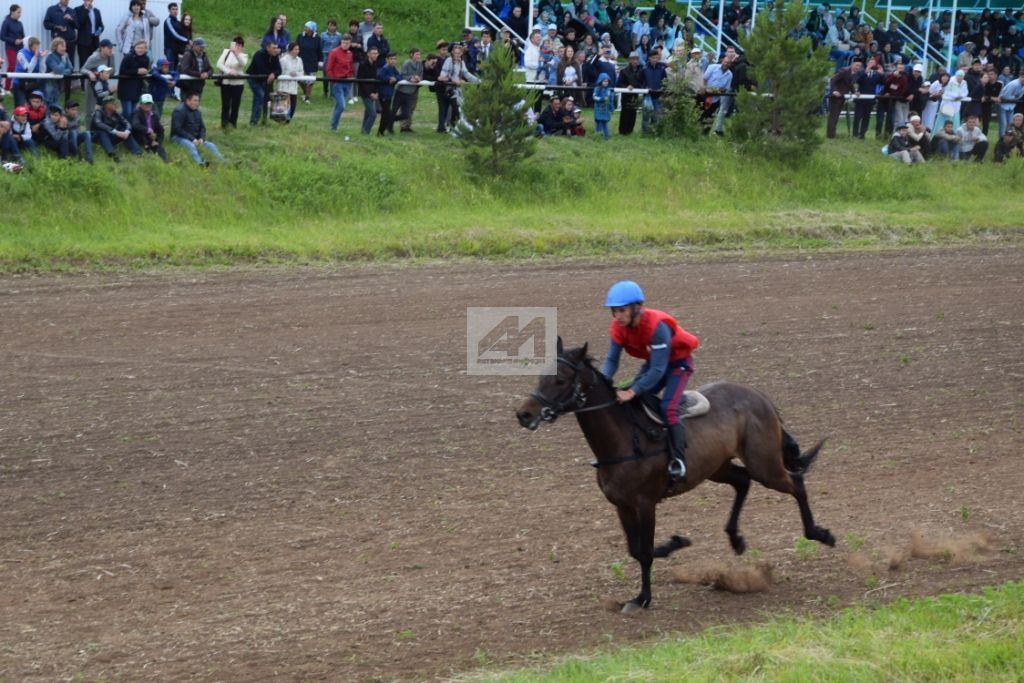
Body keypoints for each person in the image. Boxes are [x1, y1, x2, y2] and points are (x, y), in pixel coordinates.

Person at [600, 280, 699, 480]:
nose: (617, 316)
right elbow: (611, 360)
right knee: (635, 399)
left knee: (667, 407)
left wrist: (631, 391)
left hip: (677, 364)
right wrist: (602, 382)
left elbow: (658, 369)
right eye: (614, 311)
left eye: (622, 310)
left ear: (637, 308)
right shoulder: (618, 327)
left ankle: (679, 461)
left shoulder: (657, 326)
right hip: (655, 362)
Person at [170, 91, 223, 165]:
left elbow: (202, 128)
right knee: (190, 146)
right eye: (195, 100)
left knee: (211, 145)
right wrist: (192, 139)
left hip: (195, 138)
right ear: (188, 101)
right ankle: (200, 164)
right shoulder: (179, 111)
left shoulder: (197, 112)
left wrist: (201, 138)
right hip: (178, 137)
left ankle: (224, 162)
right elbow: (177, 129)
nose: (197, 103)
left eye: (198, 101)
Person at [437, 42, 478, 131]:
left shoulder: (461, 62)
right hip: (447, 89)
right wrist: (453, 81)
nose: (457, 55)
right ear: (452, 53)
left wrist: (478, 81)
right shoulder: (448, 61)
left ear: (461, 53)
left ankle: (452, 128)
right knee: (451, 110)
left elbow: (466, 74)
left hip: (456, 90)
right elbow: (442, 76)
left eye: (458, 53)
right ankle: (446, 127)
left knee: (457, 111)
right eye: (455, 53)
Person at [90, 95, 141, 161]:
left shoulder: (116, 113)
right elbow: (99, 124)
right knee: (102, 132)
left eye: (116, 102)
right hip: (97, 138)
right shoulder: (99, 112)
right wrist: (116, 132)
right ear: (106, 105)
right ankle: (112, 154)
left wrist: (127, 131)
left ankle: (137, 153)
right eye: (113, 103)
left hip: (111, 136)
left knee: (124, 130)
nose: (116, 104)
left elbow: (127, 123)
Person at [214, 36, 247, 129]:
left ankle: (233, 124)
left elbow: (242, 63)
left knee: (235, 105)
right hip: (226, 82)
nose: (238, 47)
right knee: (225, 104)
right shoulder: (226, 52)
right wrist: (229, 71)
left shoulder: (243, 56)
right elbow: (219, 64)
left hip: (238, 84)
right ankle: (224, 124)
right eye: (236, 44)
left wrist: (236, 53)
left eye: (240, 45)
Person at [246, 40, 281, 126]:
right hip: (253, 79)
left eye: (276, 48)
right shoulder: (259, 54)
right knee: (261, 97)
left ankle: (255, 121)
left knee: (258, 99)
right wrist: (271, 73)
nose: (275, 50)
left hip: (264, 80)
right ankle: (254, 121)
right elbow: (261, 69)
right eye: (273, 48)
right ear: (267, 48)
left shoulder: (275, 56)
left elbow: (279, 70)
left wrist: (273, 74)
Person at [325, 33, 354, 132]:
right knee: (341, 105)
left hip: (347, 82)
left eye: (347, 43)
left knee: (339, 105)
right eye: (343, 42)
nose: (345, 45)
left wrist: (350, 77)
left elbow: (350, 67)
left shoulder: (350, 54)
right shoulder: (334, 52)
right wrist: (333, 80)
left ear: (350, 44)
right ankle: (334, 126)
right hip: (337, 82)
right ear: (341, 42)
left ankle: (334, 125)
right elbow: (328, 69)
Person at [81, 37, 114, 120]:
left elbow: (113, 70)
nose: (111, 50)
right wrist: (90, 73)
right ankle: (89, 131)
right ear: (102, 48)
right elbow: (83, 69)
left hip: (103, 84)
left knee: (104, 107)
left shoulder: (111, 56)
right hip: (91, 85)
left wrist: (102, 73)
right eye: (109, 48)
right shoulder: (94, 57)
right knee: (90, 109)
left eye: (111, 48)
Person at [43, 0, 76, 78]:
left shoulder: (71, 11)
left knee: (70, 64)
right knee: (57, 64)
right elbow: (46, 24)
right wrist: (56, 27)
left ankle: (68, 88)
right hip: (58, 43)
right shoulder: (52, 9)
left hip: (70, 41)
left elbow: (77, 25)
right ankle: (58, 85)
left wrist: (71, 19)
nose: (67, 1)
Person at [130, 93, 167, 161]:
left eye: (149, 103)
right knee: (141, 133)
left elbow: (160, 129)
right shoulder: (136, 112)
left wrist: (158, 141)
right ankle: (148, 148)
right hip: (139, 136)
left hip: (149, 137)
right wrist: (147, 129)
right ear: (141, 104)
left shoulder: (154, 114)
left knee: (158, 146)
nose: (148, 105)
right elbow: (135, 125)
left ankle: (166, 160)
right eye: (145, 103)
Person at [117, 39, 150, 118]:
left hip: (137, 88)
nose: (140, 50)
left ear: (145, 49)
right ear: (134, 48)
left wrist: (145, 71)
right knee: (127, 112)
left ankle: (130, 129)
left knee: (133, 113)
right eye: (138, 47)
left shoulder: (146, 58)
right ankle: (121, 126)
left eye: (142, 48)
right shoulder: (128, 57)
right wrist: (137, 71)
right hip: (126, 88)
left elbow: (145, 71)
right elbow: (122, 71)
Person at [826, 62, 859, 138]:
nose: (858, 67)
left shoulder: (852, 73)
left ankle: (832, 134)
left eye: (859, 66)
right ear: (852, 65)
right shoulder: (844, 71)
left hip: (842, 97)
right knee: (833, 116)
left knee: (836, 116)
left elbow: (850, 84)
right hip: (835, 97)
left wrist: (855, 92)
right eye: (857, 65)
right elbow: (833, 80)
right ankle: (830, 136)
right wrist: (834, 91)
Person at [12, 35, 45, 107]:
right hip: (20, 83)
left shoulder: (38, 53)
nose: (36, 49)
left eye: (38, 47)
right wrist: (36, 57)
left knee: (34, 106)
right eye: (35, 47)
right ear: (29, 46)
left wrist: (42, 59)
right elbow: (28, 69)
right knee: (21, 106)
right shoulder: (21, 54)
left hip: (32, 83)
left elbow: (42, 71)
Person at [396, 47, 423, 133]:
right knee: (405, 108)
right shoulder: (406, 63)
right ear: (411, 55)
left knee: (412, 107)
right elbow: (403, 75)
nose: (418, 56)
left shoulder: (420, 64)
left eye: (419, 54)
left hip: (414, 88)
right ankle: (403, 126)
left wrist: (418, 78)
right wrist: (411, 78)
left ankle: (408, 125)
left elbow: (421, 74)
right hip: (405, 89)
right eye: (417, 54)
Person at [617, 50, 644, 135]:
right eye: (633, 59)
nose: (635, 61)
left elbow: (642, 82)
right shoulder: (624, 71)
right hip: (626, 95)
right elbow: (619, 83)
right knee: (625, 112)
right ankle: (622, 131)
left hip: (635, 95)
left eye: (636, 59)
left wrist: (638, 87)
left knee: (633, 112)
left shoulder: (641, 71)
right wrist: (626, 87)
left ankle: (630, 130)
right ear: (629, 60)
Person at [43, 37, 73, 107]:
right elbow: (57, 69)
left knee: (56, 104)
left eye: (65, 46)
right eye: (62, 46)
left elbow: (71, 69)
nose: (64, 49)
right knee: (49, 104)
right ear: (55, 47)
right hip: (49, 84)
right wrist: (63, 61)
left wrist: (61, 71)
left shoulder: (66, 55)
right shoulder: (50, 57)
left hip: (57, 83)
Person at [357, 46, 380, 134]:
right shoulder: (362, 65)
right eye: (373, 53)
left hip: (373, 92)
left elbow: (376, 80)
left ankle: (363, 131)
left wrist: (376, 92)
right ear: (368, 54)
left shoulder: (375, 65)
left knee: (367, 113)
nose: (375, 55)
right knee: (373, 114)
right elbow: (361, 81)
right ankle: (366, 132)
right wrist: (370, 94)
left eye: (376, 53)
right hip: (365, 93)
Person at [74, 0, 103, 71]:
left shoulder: (96, 11)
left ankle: (93, 81)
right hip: (83, 42)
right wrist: (86, 9)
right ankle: (83, 82)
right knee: (84, 63)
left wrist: (100, 30)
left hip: (95, 41)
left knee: (95, 63)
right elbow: (79, 23)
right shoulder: (78, 9)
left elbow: (101, 25)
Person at [277, 42, 302, 122]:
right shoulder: (283, 60)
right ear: (290, 50)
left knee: (293, 107)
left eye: (298, 49)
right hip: (284, 87)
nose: (297, 51)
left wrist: (297, 74)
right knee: (283, 107)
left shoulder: (299, 60)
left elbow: (301, 72)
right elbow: (279, 72)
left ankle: (288, 122)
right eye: (295, 49)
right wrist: (288, 74)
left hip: (293, 88)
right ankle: (282, 123)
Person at [376, 51, 400, 135]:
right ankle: (380, 131)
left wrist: (395, 79)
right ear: (387, 60)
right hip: (383, 94)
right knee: (386, 113)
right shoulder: (385, 68)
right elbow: (380, 76)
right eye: (391, 59)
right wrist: (389, 79)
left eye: (395, 59)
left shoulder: (394, 68)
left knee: (386, 114)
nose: (393, 61)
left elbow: (399, 76)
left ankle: (381, 131)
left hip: (389, 94)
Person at [2, 4, 25, 92]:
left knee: (20, 67)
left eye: (20, 12)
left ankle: (17, 86)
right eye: (18, 12)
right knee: (12, 66)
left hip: (20, 48)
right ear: (12, 12)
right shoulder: (6, 22)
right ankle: (7, 88)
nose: (20, 14)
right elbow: (2, 36)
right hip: (10, 47)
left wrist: (22, 40)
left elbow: (23, 35)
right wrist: (14, 41)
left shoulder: (20, 23)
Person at [296, 21, 320, 104]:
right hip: (301, 61)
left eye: (307, 27)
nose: (305, 28)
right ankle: (305, 93)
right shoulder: (300, 36)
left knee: (310, 81)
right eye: (305, 26)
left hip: (312, 62)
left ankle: (307, 98)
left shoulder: (317, 38)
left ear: (312, 29)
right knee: (300, 80)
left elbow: (319, 50)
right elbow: (296, 48)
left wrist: (320, 61)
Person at [319, 18, 341, 98]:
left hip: (335, 57)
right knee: (325, 75)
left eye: (333, 26)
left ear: (335, 27)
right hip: (325, 56)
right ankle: (325, 91)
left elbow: (340, 46)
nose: (332, 27)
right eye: (330, 25)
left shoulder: (339, 35)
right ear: (327, 26)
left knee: (333, 75)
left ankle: (333, 93)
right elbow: (320, 46)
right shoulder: (323, 35)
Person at [162, 2, 188, 69]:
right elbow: (174, 35)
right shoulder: (168, 21)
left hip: (177, 50)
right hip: (170, 50)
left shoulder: (177, 22)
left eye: (176, 9)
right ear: (169, 10)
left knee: (177, 70)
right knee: (170, 70)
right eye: (173, 9)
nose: (175, 11)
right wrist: (187, 40)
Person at [592, 71, 612, 139]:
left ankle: (606, 135)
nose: (606, 83)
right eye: (604, 81)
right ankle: (598, 135)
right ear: (600, 81)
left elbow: (610, 99)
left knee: (604, 122)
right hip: (598, 108)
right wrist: (601, 99)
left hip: (605, 109)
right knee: (598, 121)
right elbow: (594, 97)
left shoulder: (608, 90)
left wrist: (611, 106)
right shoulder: (597, 89)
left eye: (607, 81)